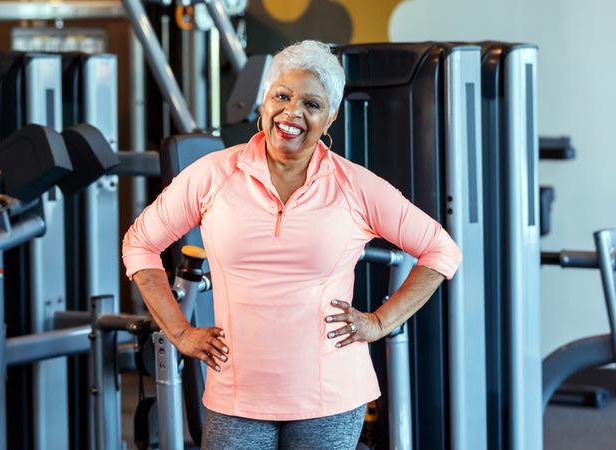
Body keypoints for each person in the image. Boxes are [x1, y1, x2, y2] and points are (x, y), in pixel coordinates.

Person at [122, 40, 462, 450]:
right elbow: (139, 243)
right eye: (282, 96)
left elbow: (442, 251)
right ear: (264, 102)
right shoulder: (212, 175)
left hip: (330, 396)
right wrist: (179, 333)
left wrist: (380, 322)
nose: (292, 113)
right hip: (236, 395)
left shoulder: (353, 184)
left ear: (330, 117)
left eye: (311, 104)